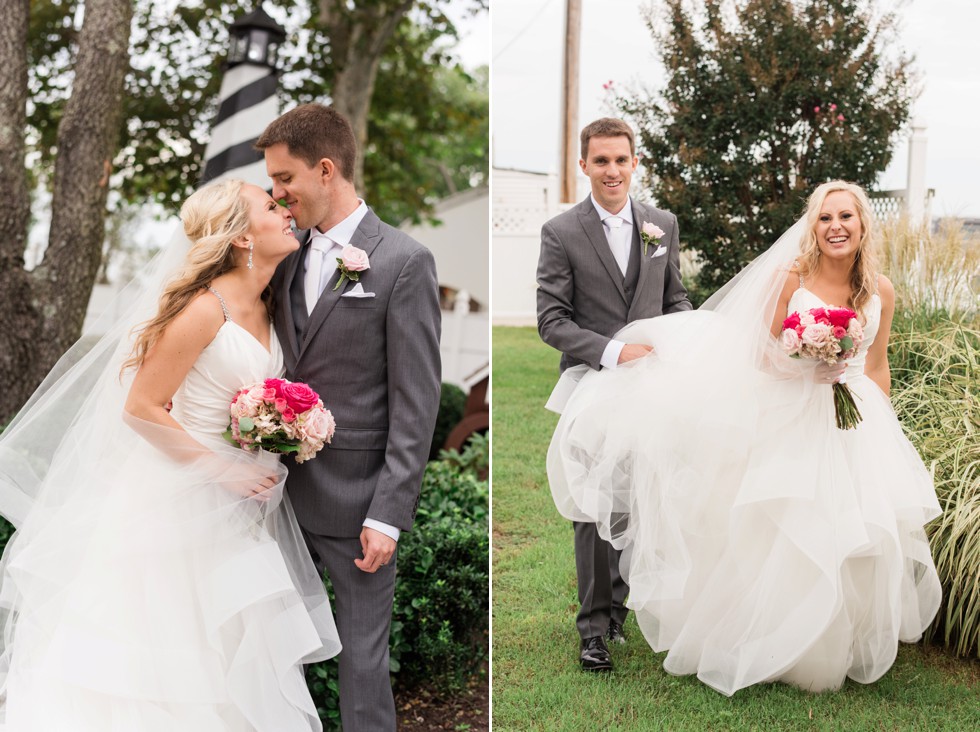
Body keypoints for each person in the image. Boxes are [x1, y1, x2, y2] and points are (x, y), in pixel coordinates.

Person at [547, 180, 942, 695]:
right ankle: (771, 640)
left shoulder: (880, 290)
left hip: (855, 419)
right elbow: (761, 354)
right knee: (783, 527)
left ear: (863, 224)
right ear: (813, 225)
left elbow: (877, 362)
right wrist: (810, 360)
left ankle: (830, 645)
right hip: (793, 409)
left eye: (846, 217)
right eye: (825, 218)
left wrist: (878, 418)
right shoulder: (790, 277)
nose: (836, 227)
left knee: (846, 529)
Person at [0, 178, 342, 730]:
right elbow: (140, 406)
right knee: (167, 655)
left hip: (238, 507)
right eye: (270, 206)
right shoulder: (204, 310)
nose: (285, 211)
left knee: (229, 653)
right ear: (240, 238)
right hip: (175, 503)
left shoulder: (270, 302)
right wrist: (220, 468)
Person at [255, 103, 442, 731]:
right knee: (270, 653)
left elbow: (416, 406)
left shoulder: (403, 262)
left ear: (326, 170)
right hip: (272, 498)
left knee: (363, 663)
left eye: (284, 179)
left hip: (359, 503)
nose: (276, 194)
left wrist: (388, 513)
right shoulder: (282, 255)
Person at [536, 117, 692, 672]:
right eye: (600, 161)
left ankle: (622, 611)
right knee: (591, 505)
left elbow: (674, 298)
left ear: (634, 162)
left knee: (639, 497)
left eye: (621, 160)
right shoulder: (561, 233)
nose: (612, 171)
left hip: (652, 390)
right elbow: (551, 320)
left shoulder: (661, 224)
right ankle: (593, 629)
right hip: (595, 385)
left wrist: (684, 336)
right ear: (583, 166)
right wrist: (613, 351)